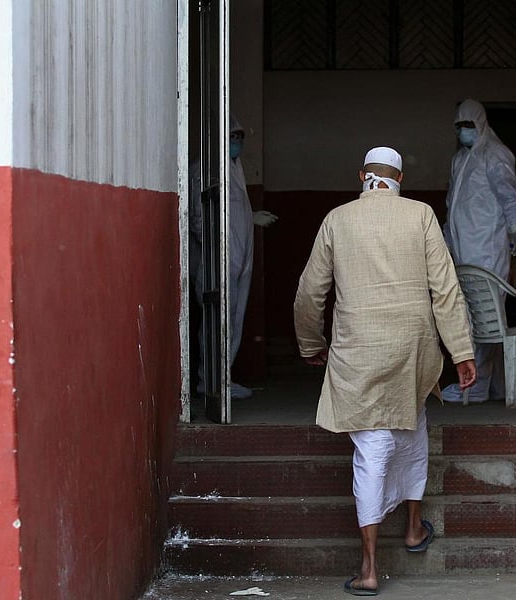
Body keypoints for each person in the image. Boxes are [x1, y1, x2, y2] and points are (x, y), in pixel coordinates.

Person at [293, 146, 477, 596]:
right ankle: (413, 528)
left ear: (362, 176)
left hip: (359, 350)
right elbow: (446, 290)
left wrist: (311, 345)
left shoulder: (337, 219)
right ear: (399, 180)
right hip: (414, 349)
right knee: (413, 429)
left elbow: (309, 291)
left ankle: (370, 568)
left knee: (373, 451)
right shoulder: (420, 215)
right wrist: (462, 351)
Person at [440, 98, 516, 404]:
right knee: (472, 317)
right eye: (459, 126)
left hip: (488, 248)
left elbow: (509, 195)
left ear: (481, 123)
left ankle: (475, 387)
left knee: (486, 318)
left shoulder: (496, 155)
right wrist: (446, 241)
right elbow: (453, 203)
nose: (463, 131)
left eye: (468, 125)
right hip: (463, 249)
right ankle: (493, 385)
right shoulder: (459, 160)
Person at [189, 114, 277, 400]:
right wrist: (215, 249)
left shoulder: (234, 169)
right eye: (232, 137)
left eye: (240, 138)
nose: (237, 143)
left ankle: (222, 379)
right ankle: (210, 382)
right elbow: (199, 217)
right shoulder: (205, 170)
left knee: (233, 322)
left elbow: (231, 213)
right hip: (218, 260)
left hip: (238, 259)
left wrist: (251, 217)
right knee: (217, 323)